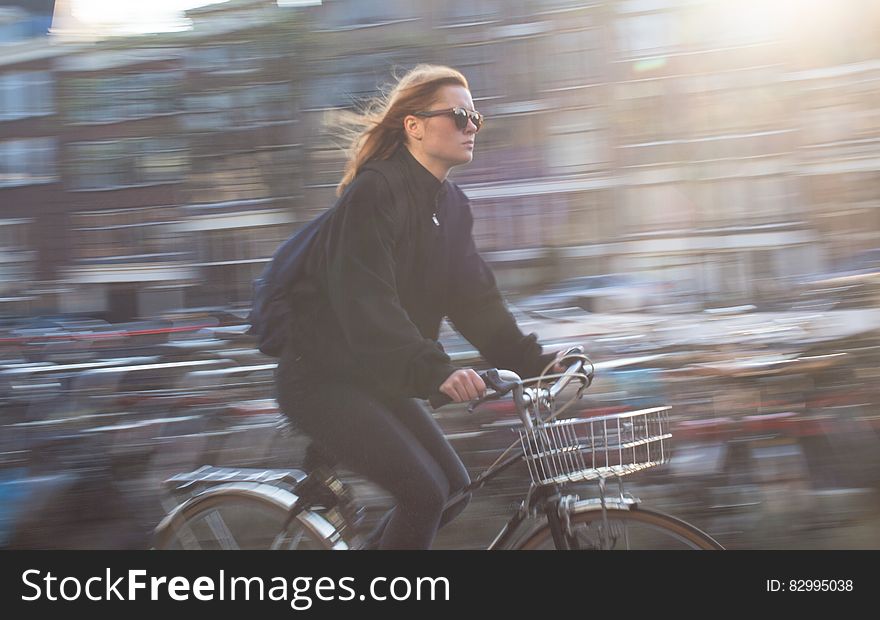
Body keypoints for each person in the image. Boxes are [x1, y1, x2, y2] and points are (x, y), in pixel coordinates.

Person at [275, 64, 565, 549]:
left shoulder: (451, 205)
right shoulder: (375, 192)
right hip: (321, 379)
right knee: (425, 493)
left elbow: (475, 301)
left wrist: (535, 363)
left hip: (378, 376)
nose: (471, 126)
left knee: (454, 489)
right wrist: (434, 370)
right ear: (414, 126)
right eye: (458, 115)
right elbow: (366, 300)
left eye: (476, 116)